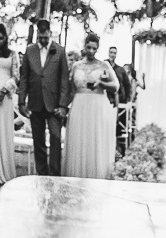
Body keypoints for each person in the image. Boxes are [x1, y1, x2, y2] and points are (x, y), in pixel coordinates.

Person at [17, 19, 70, 176]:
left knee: (55, 137)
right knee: (38, 140)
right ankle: (42, 174)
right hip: (35, 102)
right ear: (37, 35)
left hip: (54, 104)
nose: (43, 41)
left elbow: (64, 80)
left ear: (50, 33)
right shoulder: (30, 50)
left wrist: (63, 105)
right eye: (40, 38)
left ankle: (54, 174)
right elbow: (24, 77)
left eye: (46, 37)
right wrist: (21, 102)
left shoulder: (60, 51)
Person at [62, 32, 118, 179]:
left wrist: (101, 83)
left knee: (95, 140)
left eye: (94, 48)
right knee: (79, 140)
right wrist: (63, 107)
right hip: (79, 105)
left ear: (98, 48)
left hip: (97, 106)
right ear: (84, 46)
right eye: (89, 47)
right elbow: (71, 90)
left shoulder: (104, 65)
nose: (91, 51)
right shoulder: (76, 66)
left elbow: (116, 86)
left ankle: (96, 175)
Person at [0, 23, 20, 185]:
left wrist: (3, 91)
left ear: (5, 38)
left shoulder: (12, 54)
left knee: (2, 130)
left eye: (1, 38)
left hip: (5, 98)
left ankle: (2, 169)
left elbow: (16, 75)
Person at [105, 46, 132, 156]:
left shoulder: (120, 70)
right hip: (106, 100)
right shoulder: (103, 66)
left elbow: (127, 86)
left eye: (114, 53)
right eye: (111, 52)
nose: (112, 54)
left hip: (119, 102)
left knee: (119, 127)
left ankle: (118, 151)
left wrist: (128, 100)